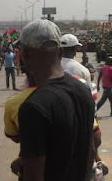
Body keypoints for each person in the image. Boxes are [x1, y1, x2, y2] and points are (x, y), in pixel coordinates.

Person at [19, 19, 95, 181]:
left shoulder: (33, 107)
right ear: (60, 52)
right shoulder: (83, 90)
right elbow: (90, 151)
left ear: (25, 54)